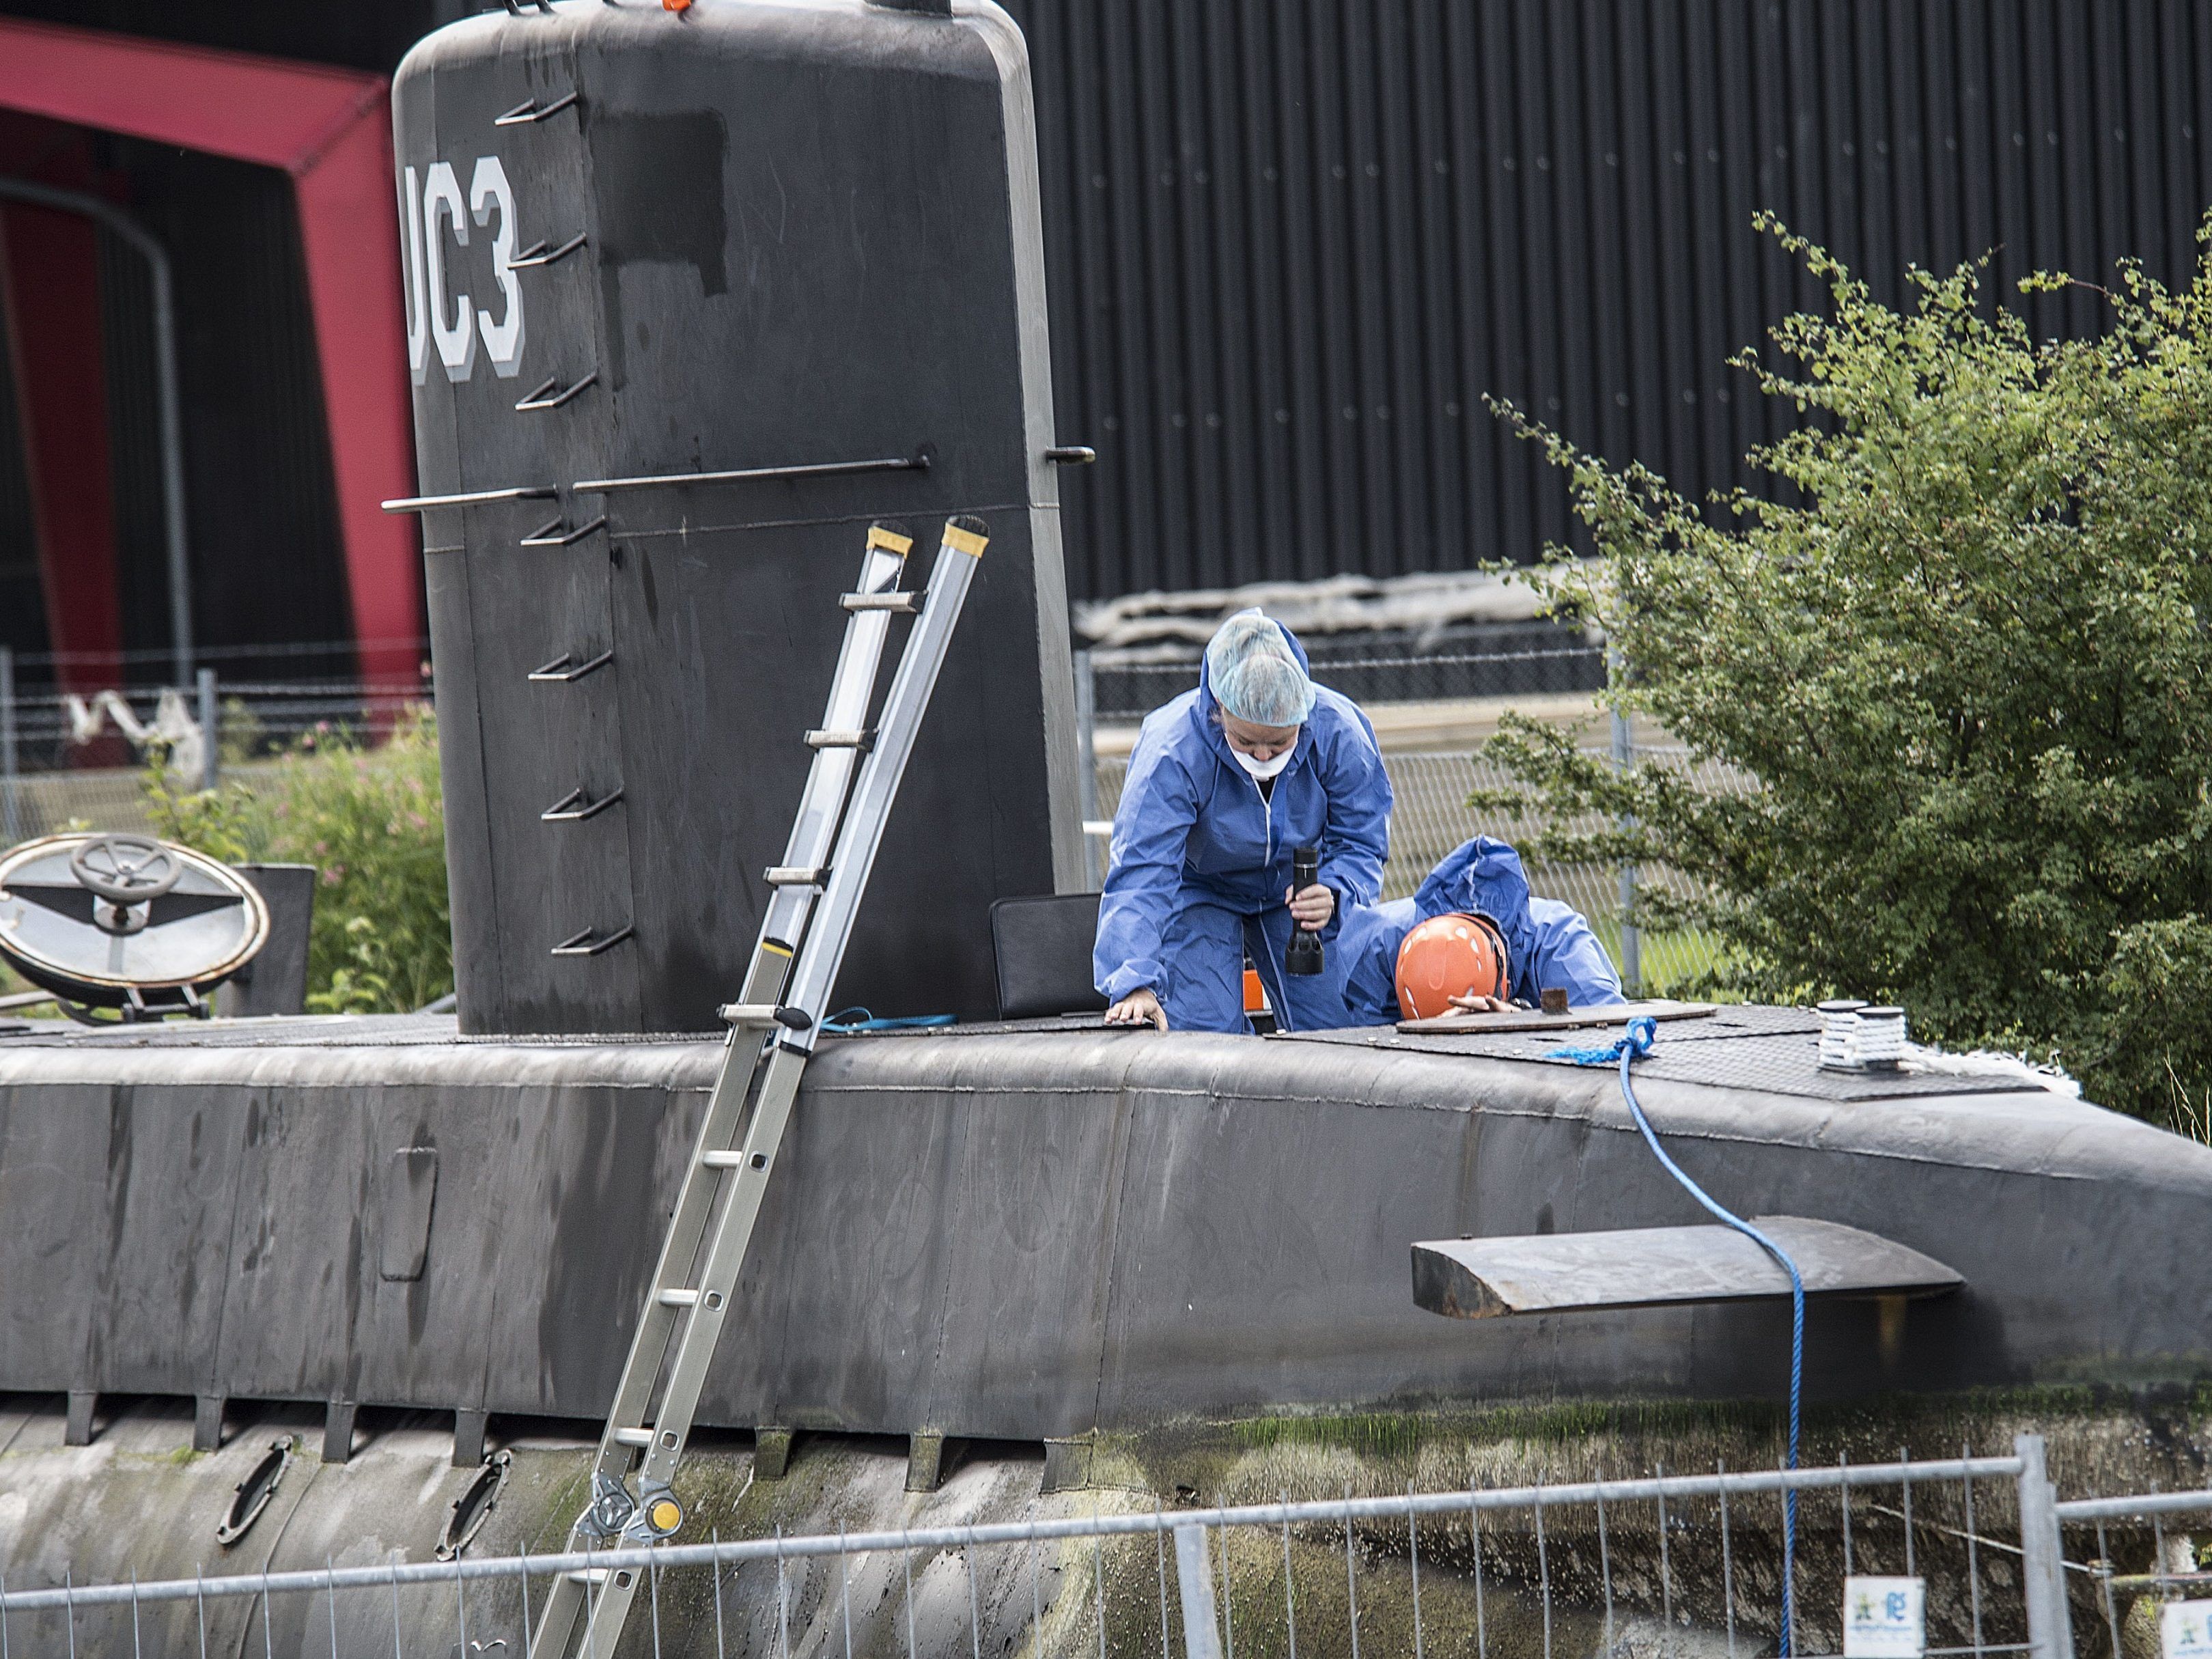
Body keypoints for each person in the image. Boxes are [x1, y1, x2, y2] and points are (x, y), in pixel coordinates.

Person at [1095, 609, 1392, 1033]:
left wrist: (1338, 891)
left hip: (1300, 889)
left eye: (1279, 741)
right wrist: (1133, 980)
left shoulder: (1339, 731)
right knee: (1202, 1033)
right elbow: (1143, 870)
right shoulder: (1172, 750)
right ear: (1219, 708)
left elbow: (1362, 841)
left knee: (1341, 1026)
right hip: (1200, 889)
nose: (1264, 755)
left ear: (1303, 716)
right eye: (1247, 741)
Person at [1334, 835, 1624, 1022]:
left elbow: (1610, 1032)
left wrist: (1520, 1020)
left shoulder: (1559, 943)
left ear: (1505, 984)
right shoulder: (1380, 948)